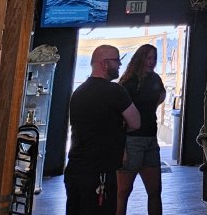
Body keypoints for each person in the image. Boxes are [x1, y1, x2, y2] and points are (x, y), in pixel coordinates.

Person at [66, 44, 140, 215]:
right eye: (117, 60)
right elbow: (136, 122)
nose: (120, 65)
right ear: (104, 64)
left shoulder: (79, 92)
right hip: (100, 172)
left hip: (75, 169)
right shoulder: (115, 91)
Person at [117, 43, 166, 215]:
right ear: (140, 58)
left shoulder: (155, 79)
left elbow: (161, 95)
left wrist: (149, 110)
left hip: (151, 140)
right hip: (131, 141)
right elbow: (118, 117)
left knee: (155, 191)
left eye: (154, 58)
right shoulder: (128, 83)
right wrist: (122, 148)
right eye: (148, 57)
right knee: (123, 192)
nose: (152, 61)